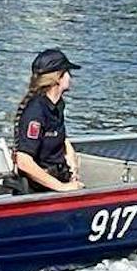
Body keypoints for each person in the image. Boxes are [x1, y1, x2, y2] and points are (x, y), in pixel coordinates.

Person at [11, 48, 83, 193]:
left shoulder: (57, 105)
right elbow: (23, 161)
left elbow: (59, 136)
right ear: (58, 77)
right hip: (40, 190)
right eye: (68, 73)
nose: (70, 77)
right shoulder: (36, 111)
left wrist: (71, 159)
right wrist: (62, 187)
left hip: (60, 177)